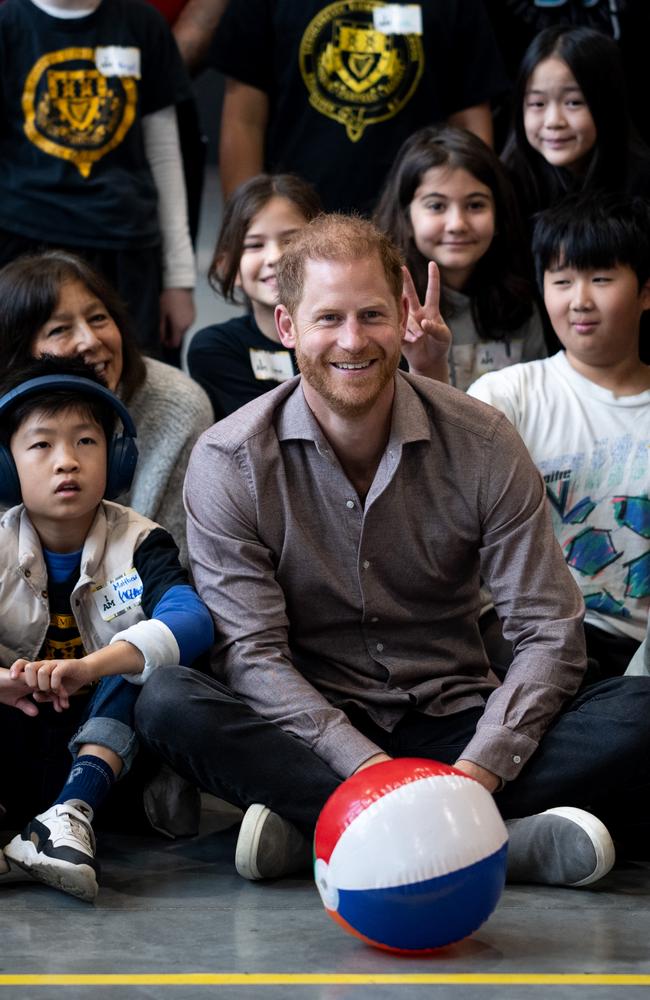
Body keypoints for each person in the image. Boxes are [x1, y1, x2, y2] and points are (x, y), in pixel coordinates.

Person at [136, 213, 650, 888]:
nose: (353, 341)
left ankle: (327, 830)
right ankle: (497, 839)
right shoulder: (230, 459)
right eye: (328, 319)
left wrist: (479, 768)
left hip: (458, 721)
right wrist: (368, 769)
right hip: (312, 731)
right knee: (167, 701)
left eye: (373, 314)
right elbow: (253, 654)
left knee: (638, 710)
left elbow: (549, 631)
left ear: (405, 312)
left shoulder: (482, 439)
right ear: (288, 327)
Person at [0, 356, 214, 901]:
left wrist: (90, 667)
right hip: (18, 743)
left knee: (144, 663)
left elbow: (191, 622)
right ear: (7, 465)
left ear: (116, 458)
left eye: (86, 442)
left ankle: (69, 815)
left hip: (111, 768)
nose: (66, 462)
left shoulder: (143, 541)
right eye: (41, 445)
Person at [468, 193, 650, 679]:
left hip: (634, 648)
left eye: (602, 279)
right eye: (562, 280)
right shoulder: (508, 394)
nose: (579, 300)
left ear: (646, 291)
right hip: (531, 640)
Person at [0, 0, 196, 357]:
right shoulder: (8, 24)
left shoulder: (142, 24)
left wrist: (179, 279)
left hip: (125, 247)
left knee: (133, 382)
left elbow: (166, 156)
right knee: (25, 386)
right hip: (24, 246)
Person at [0, 250, 213, 564]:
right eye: (60, 329)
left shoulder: (177, 406)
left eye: (99, 318)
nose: (90, 340)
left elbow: (177, 562)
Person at [211, 0, 509, 214]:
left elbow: (470, 121)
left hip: (418, 225)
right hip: (295, 222)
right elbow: (243, 120)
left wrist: (468, 212)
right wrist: (244, 226)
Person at [375, 125, 547, 391]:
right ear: (406, 218)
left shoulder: (520, 304)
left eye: (475, 205)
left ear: (499, 215)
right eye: (436, 206)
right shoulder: (383, 307)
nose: (457, 224)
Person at [187, 174, 323, 420]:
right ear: (227, 266)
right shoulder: (215, 348)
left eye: (291, 241)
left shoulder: (353, 337)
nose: (275, 257)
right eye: (254, 245)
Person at [502, 26, 650, 223]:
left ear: (608, 105)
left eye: (573, 102)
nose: (554, 121)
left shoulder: (642, 184)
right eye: (538, 103)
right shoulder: (508, 183)